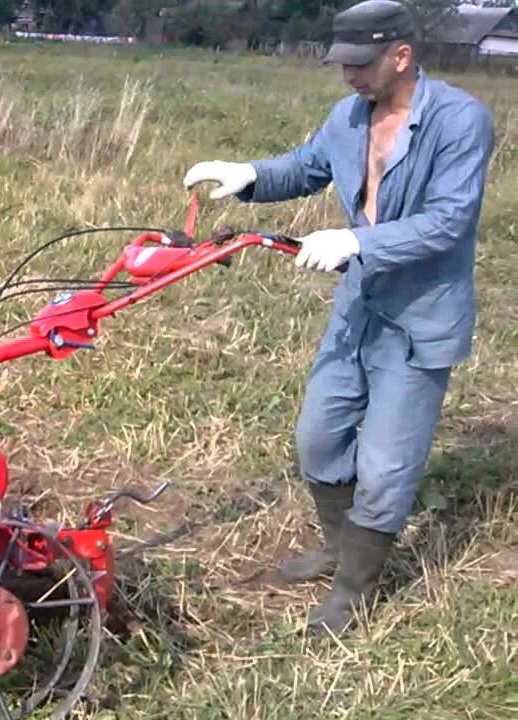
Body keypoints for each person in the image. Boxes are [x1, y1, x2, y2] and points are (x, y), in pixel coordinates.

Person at [182, 0, 494, 636]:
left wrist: (360, 243)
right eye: (341, 62)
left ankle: (354, 592)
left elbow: (448, 221)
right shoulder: (349, 116)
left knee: (385, 468)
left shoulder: (460, 121)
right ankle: (334, 546)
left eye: (360, 62)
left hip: (419, 319)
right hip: (359, 307)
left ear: (401, 56)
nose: (348, 75)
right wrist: (247, 176)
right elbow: (305, 167)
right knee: (319, 439)